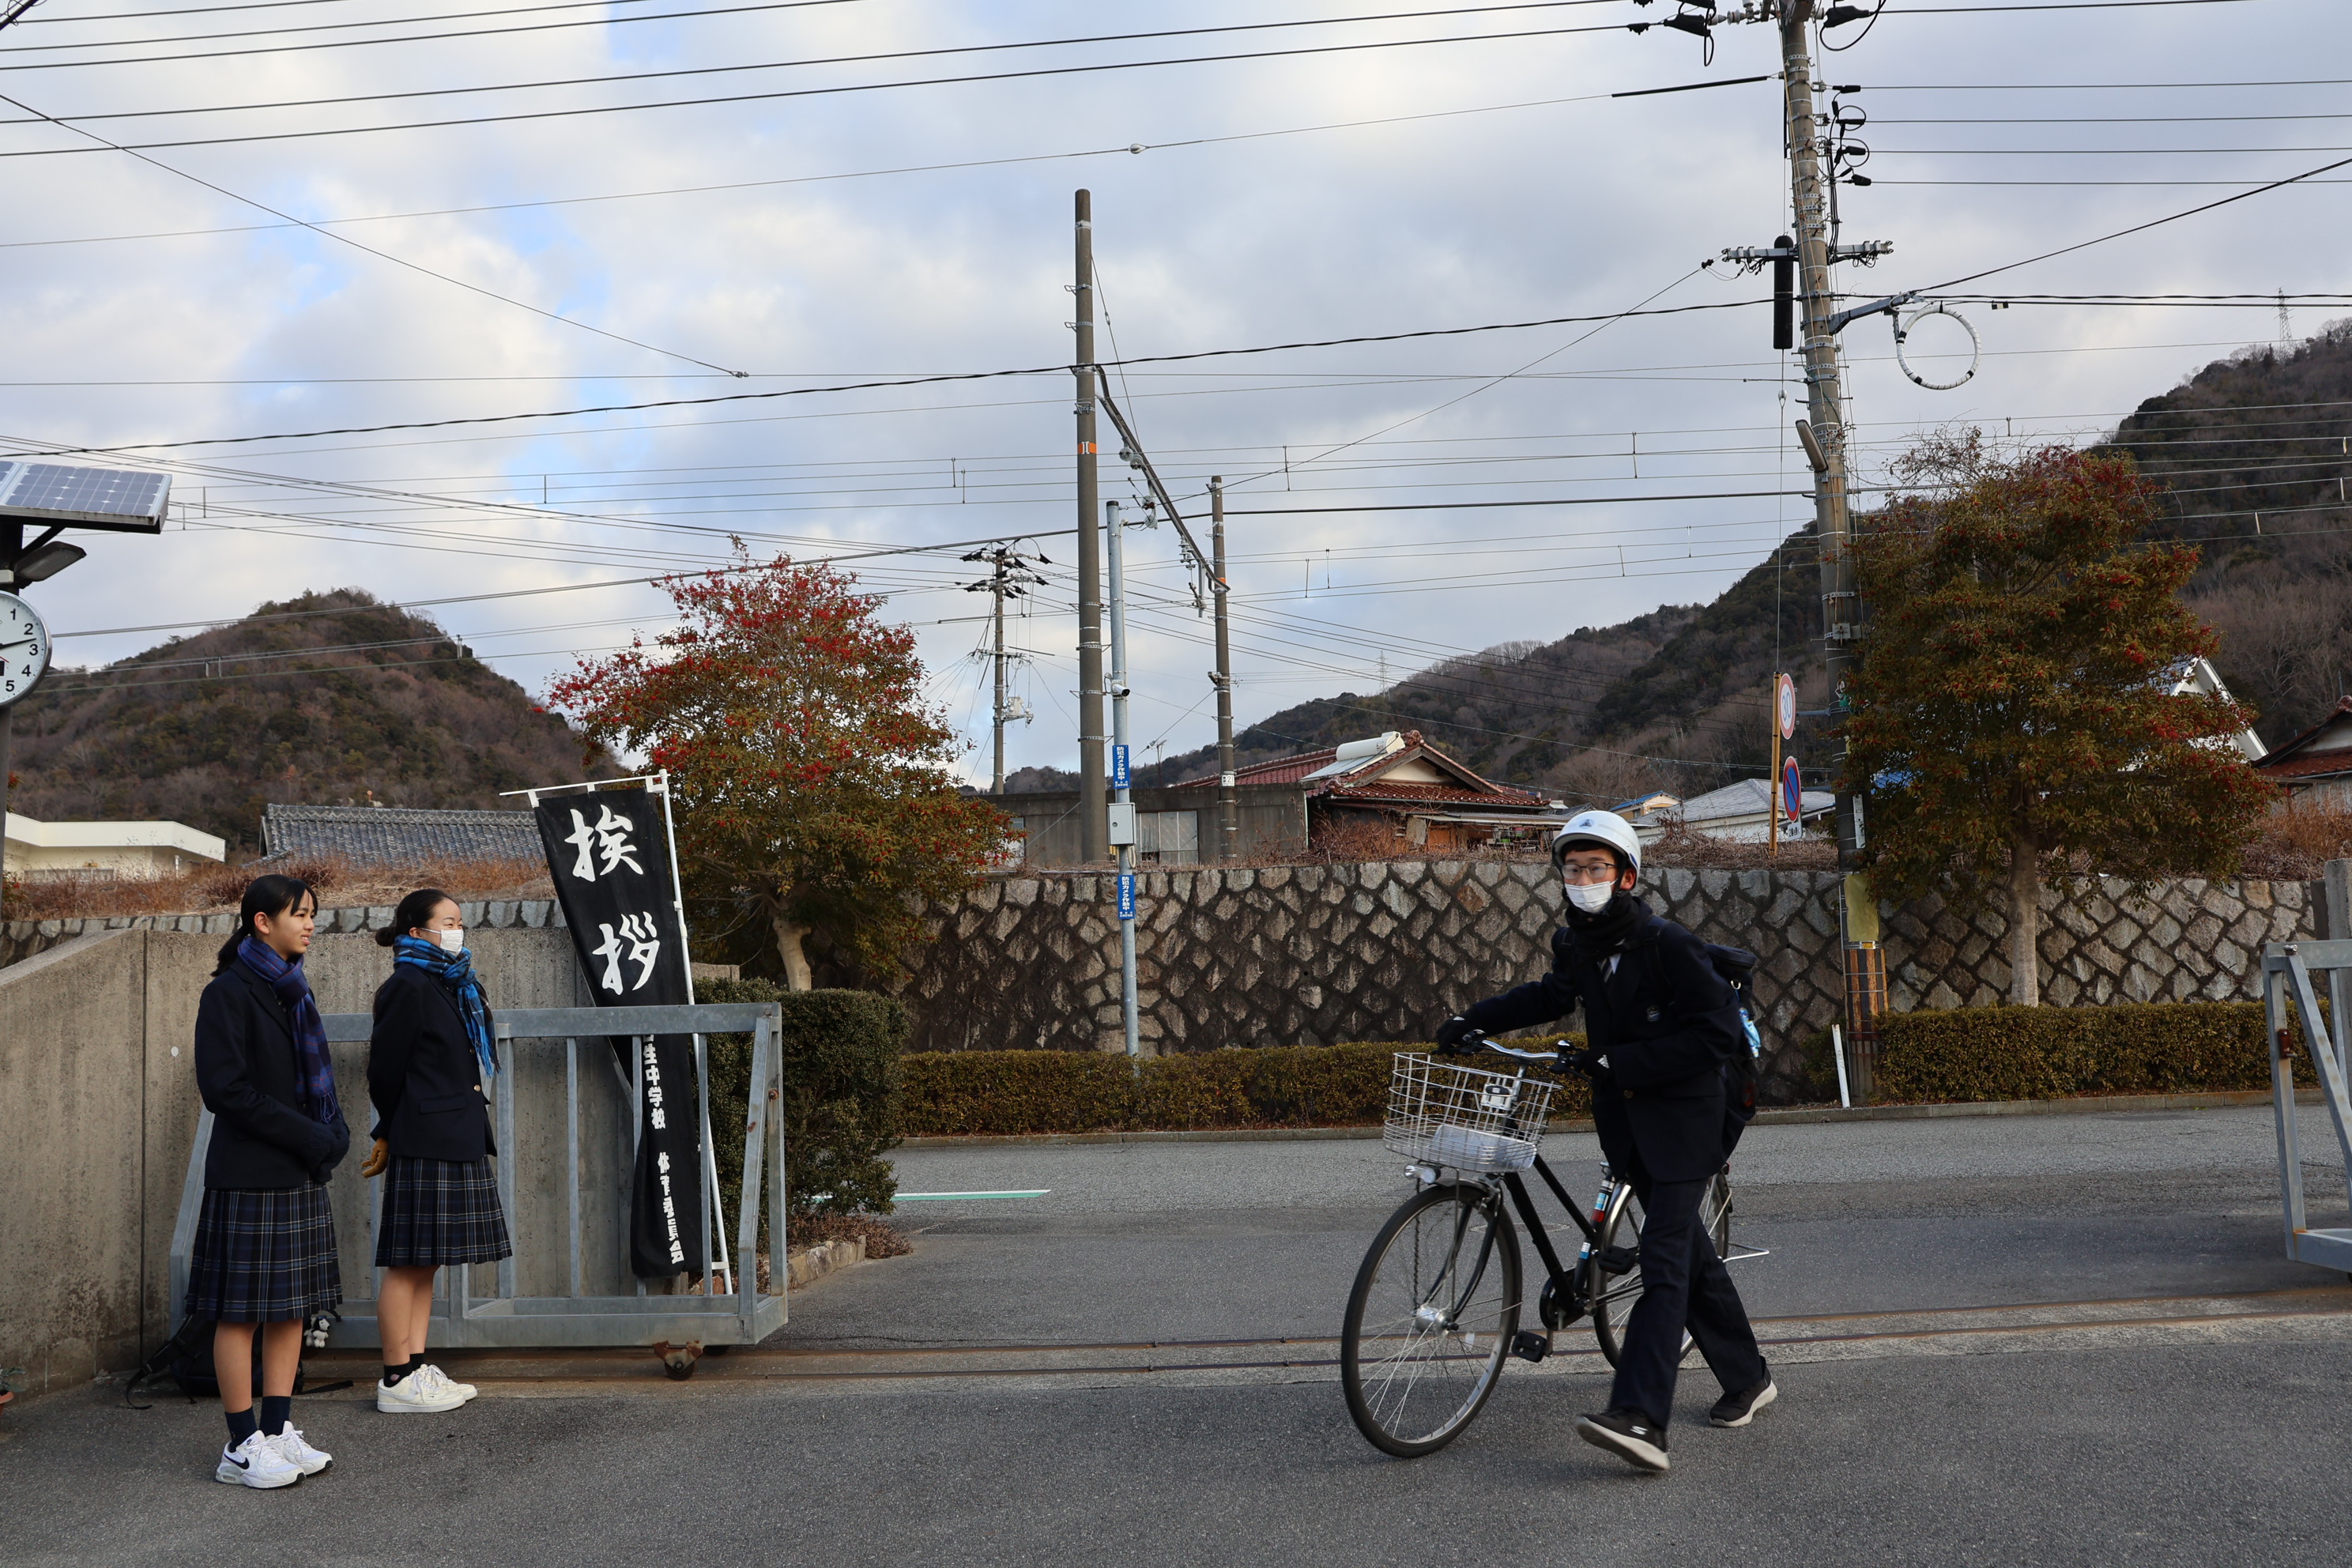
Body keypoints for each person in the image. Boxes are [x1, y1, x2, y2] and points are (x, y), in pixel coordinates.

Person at [1435, 809, 1773, 1475]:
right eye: (1572, 868)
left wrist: (1620, 1063)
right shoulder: (1580, 944)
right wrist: (1470, 1019)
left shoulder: (1667, 944)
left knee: (1666, 1263)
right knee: (1690, 1256)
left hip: (1690, 1119)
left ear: (1626, 877)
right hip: (1630, 1121)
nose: (1582, 879)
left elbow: (1716, 1037)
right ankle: (1749, 1377)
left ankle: (1642, 1417)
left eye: (1596, 868)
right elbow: (1551, 995)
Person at [186, 874, 349, 1489]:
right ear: (261, 921)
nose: (309, 924)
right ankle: (239, 1444)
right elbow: (225, 1090)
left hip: (297, 1172)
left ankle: (278, 1431)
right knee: (239, 1314)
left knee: (291, 1310)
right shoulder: (229, 992)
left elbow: (316, 1080)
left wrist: (334, 1130)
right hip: (251, 1172)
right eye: (299, 914)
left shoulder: (292, 990)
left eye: (312, 914)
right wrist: (309, 1135)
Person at [361, 888, 509, 1415]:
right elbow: (384, 1071)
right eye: (448, 921)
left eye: (461, 922)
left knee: (428, 1262)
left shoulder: (452, 983)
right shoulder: (408, 984)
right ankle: (395, 1376)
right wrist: (390, 1128)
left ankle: (416, 1365)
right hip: (426, 1135)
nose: (458, 930)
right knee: (407, 1263)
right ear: (416, 931)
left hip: (452, 1132)